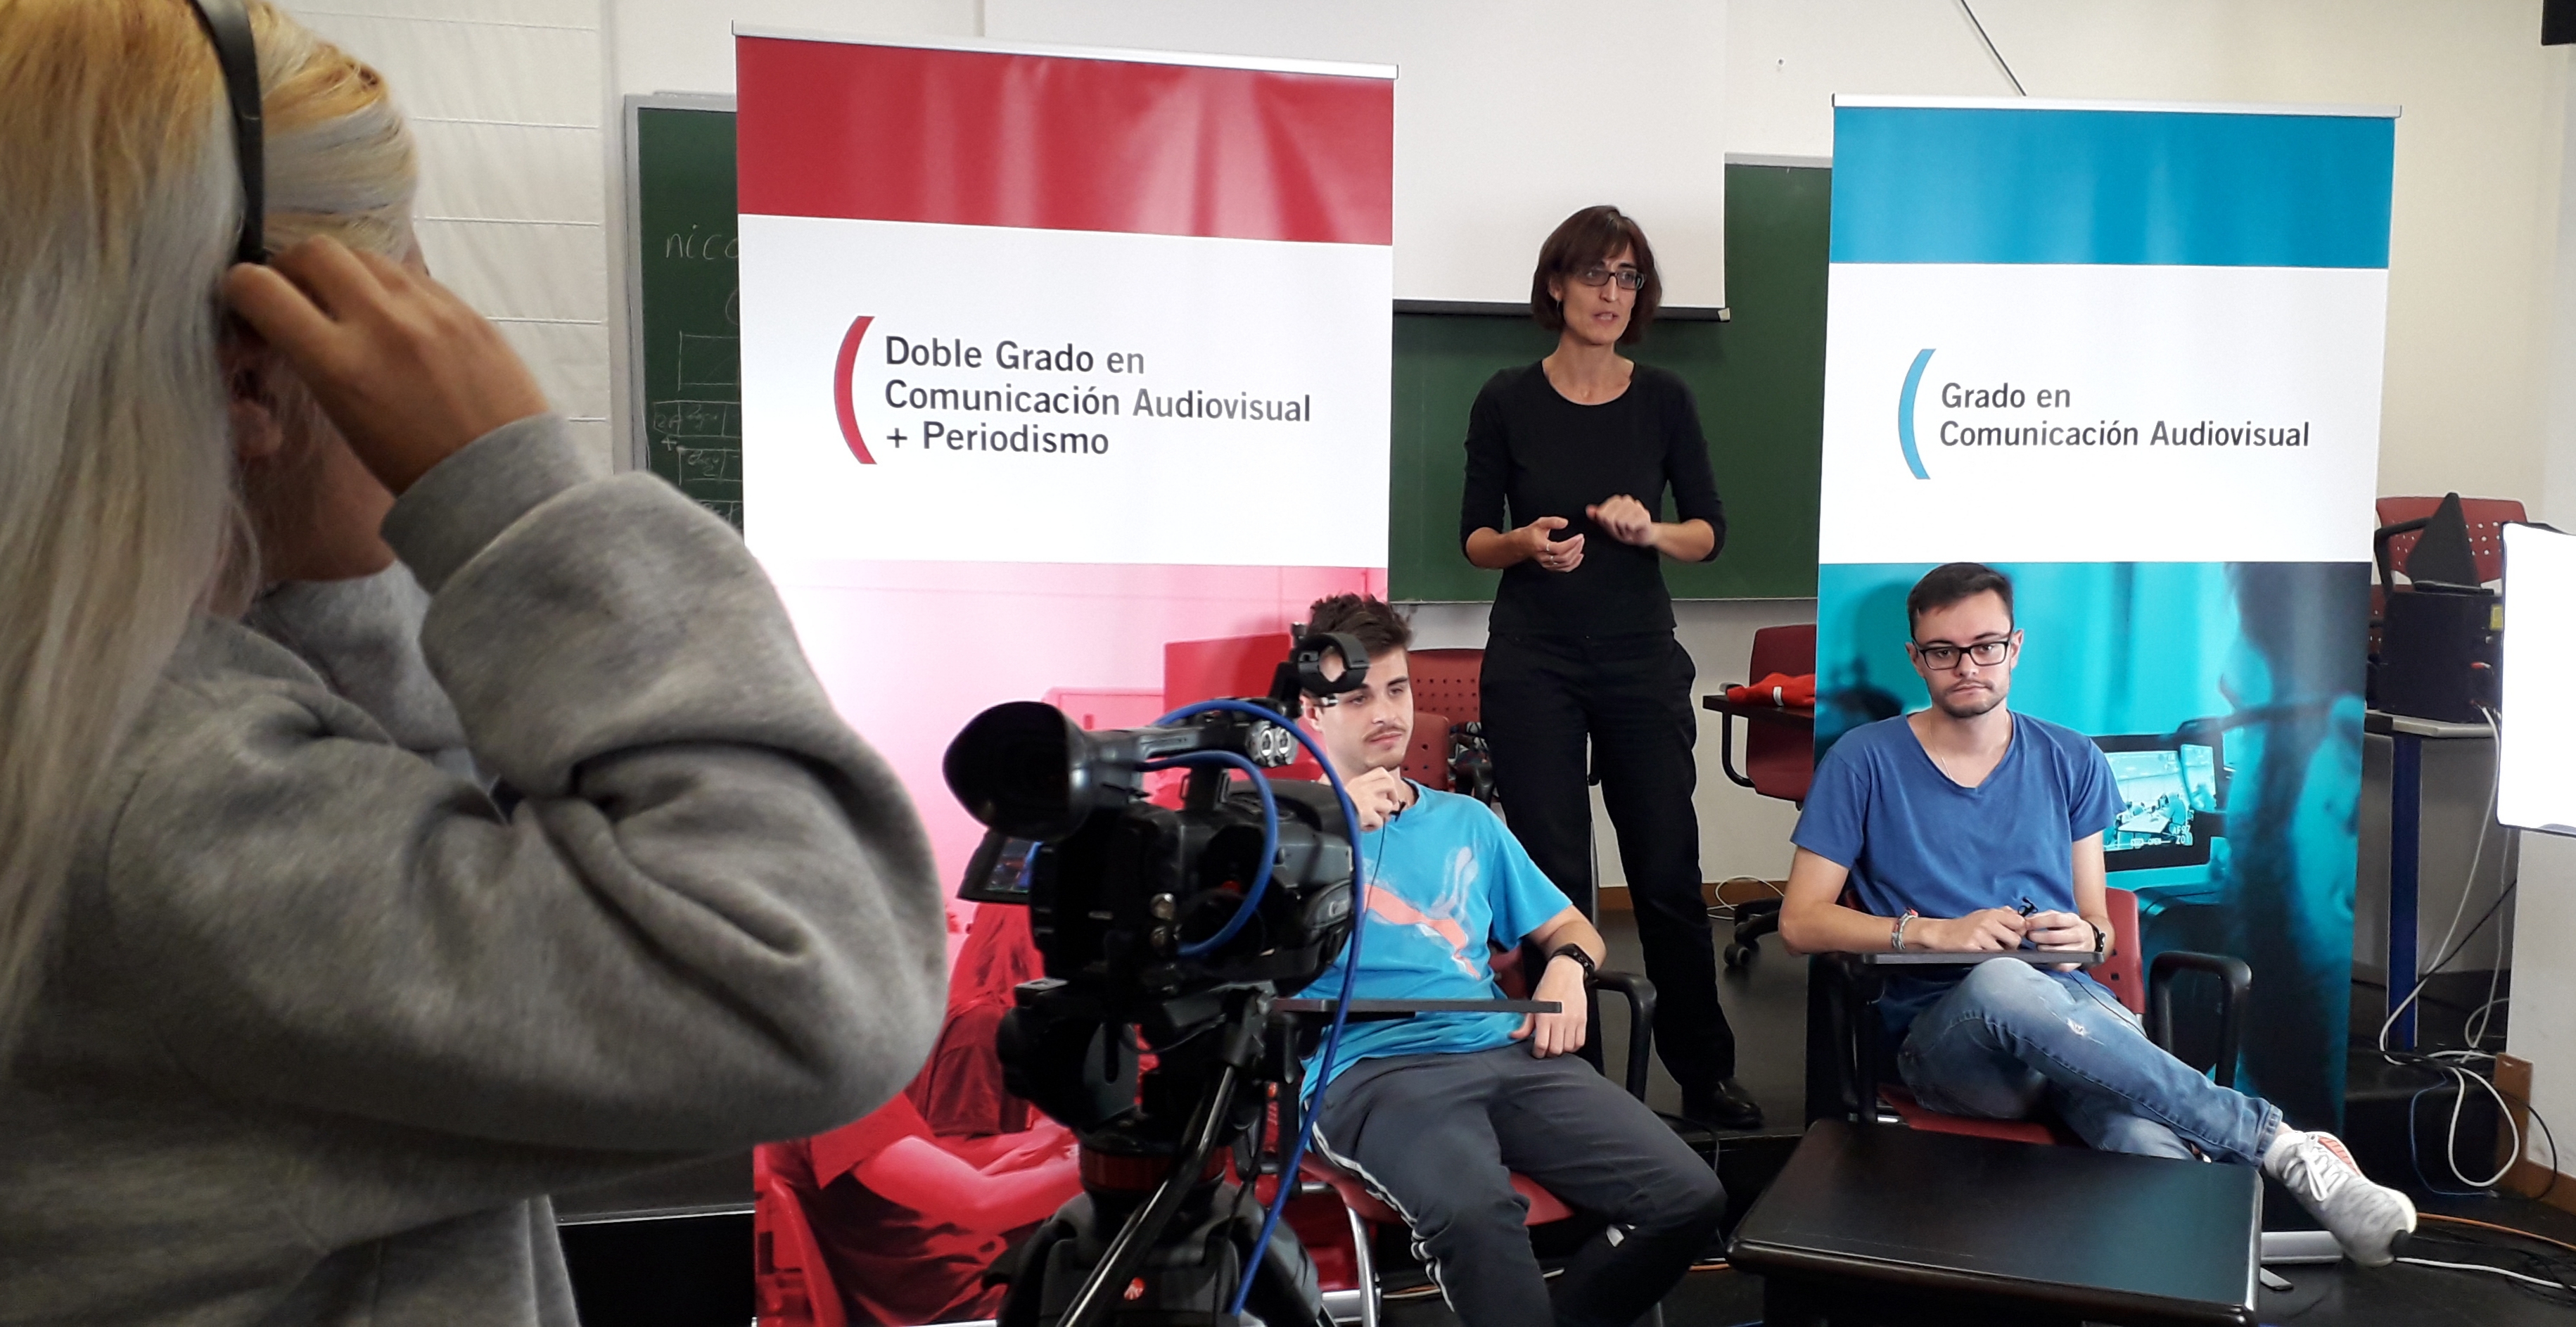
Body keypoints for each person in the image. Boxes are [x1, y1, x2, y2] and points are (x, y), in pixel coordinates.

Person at [0, 4, 946, 1323]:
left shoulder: (102, 724)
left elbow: (393, 761)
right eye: (408, 291)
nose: (443, 347)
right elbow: (815, 984)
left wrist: (298, 530)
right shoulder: (174, 807)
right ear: (257, 374)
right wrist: (508, 497)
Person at [1776, 563, 2418, 1266]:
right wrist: (1931, 931)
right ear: (1915, 657)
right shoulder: (1862, 761)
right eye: (1943, 651)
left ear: (2014, 647)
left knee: (2144, 1142)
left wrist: (2084, 933)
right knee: (2001, 980)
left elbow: (2098, 924)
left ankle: (2199, 1277)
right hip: (1950, 1046)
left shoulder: (2068, 755)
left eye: (1985, 646)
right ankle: (2280, 1145)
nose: (1967, 666)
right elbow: (1800, 922)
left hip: (2072, 1023)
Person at [1296, 594, 1726, 1327]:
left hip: (1505, 1050)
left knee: (1689, 1196)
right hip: (1371, 1070)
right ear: (1313, 711)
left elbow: (1573, 928)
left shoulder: (1464, 820)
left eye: (1397, 689)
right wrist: (1332, 822)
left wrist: (1567, 967)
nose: (1387, 713)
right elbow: (1234, 970)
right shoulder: (1283, 830)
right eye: (1359, 697)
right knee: (1474, 1214)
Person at [1459, 205, 1757, 1130]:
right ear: (1555, 285)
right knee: (1552, 875)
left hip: (1637, 657)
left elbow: (1706, 530)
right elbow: (1473, 538)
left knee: (1665, 870)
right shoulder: (1504, 397)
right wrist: (1522, 543)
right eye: (1595, 274)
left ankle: (1703, 1070)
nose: (1612, 293)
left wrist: (1650, 530)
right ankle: (1572, 1076)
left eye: (1628, 277)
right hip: (1533, 659)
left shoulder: (1663, 396)